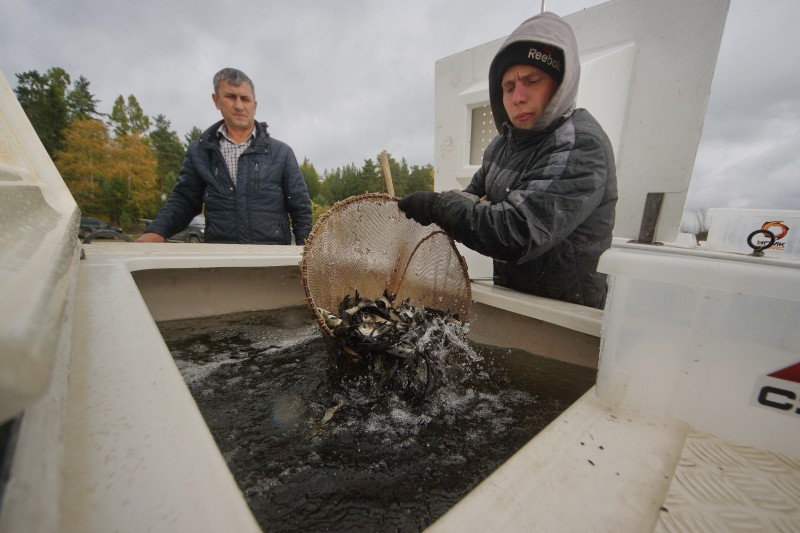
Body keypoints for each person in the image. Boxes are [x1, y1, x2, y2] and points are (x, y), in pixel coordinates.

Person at [398, 12, 617, 309]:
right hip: (516, 296)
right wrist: (429, 206)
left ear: (560, 84)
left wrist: (437, 206)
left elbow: (516, 232)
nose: (518, 97)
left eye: (532, 81)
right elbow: (471, 196)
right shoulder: (503, 145)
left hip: (567, 313)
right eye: (509, 87)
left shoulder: (581, 146)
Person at [138, 68, 312, 245]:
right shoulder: (200, 152)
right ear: (216, 100)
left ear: (255, 105)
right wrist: (156, 231)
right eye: (230, 97)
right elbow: (184, 201)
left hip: (271, 259)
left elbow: (301, 209)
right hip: (220, 260)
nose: (238, 105)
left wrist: (306, 256)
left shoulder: (281, 153)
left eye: (245, 99)